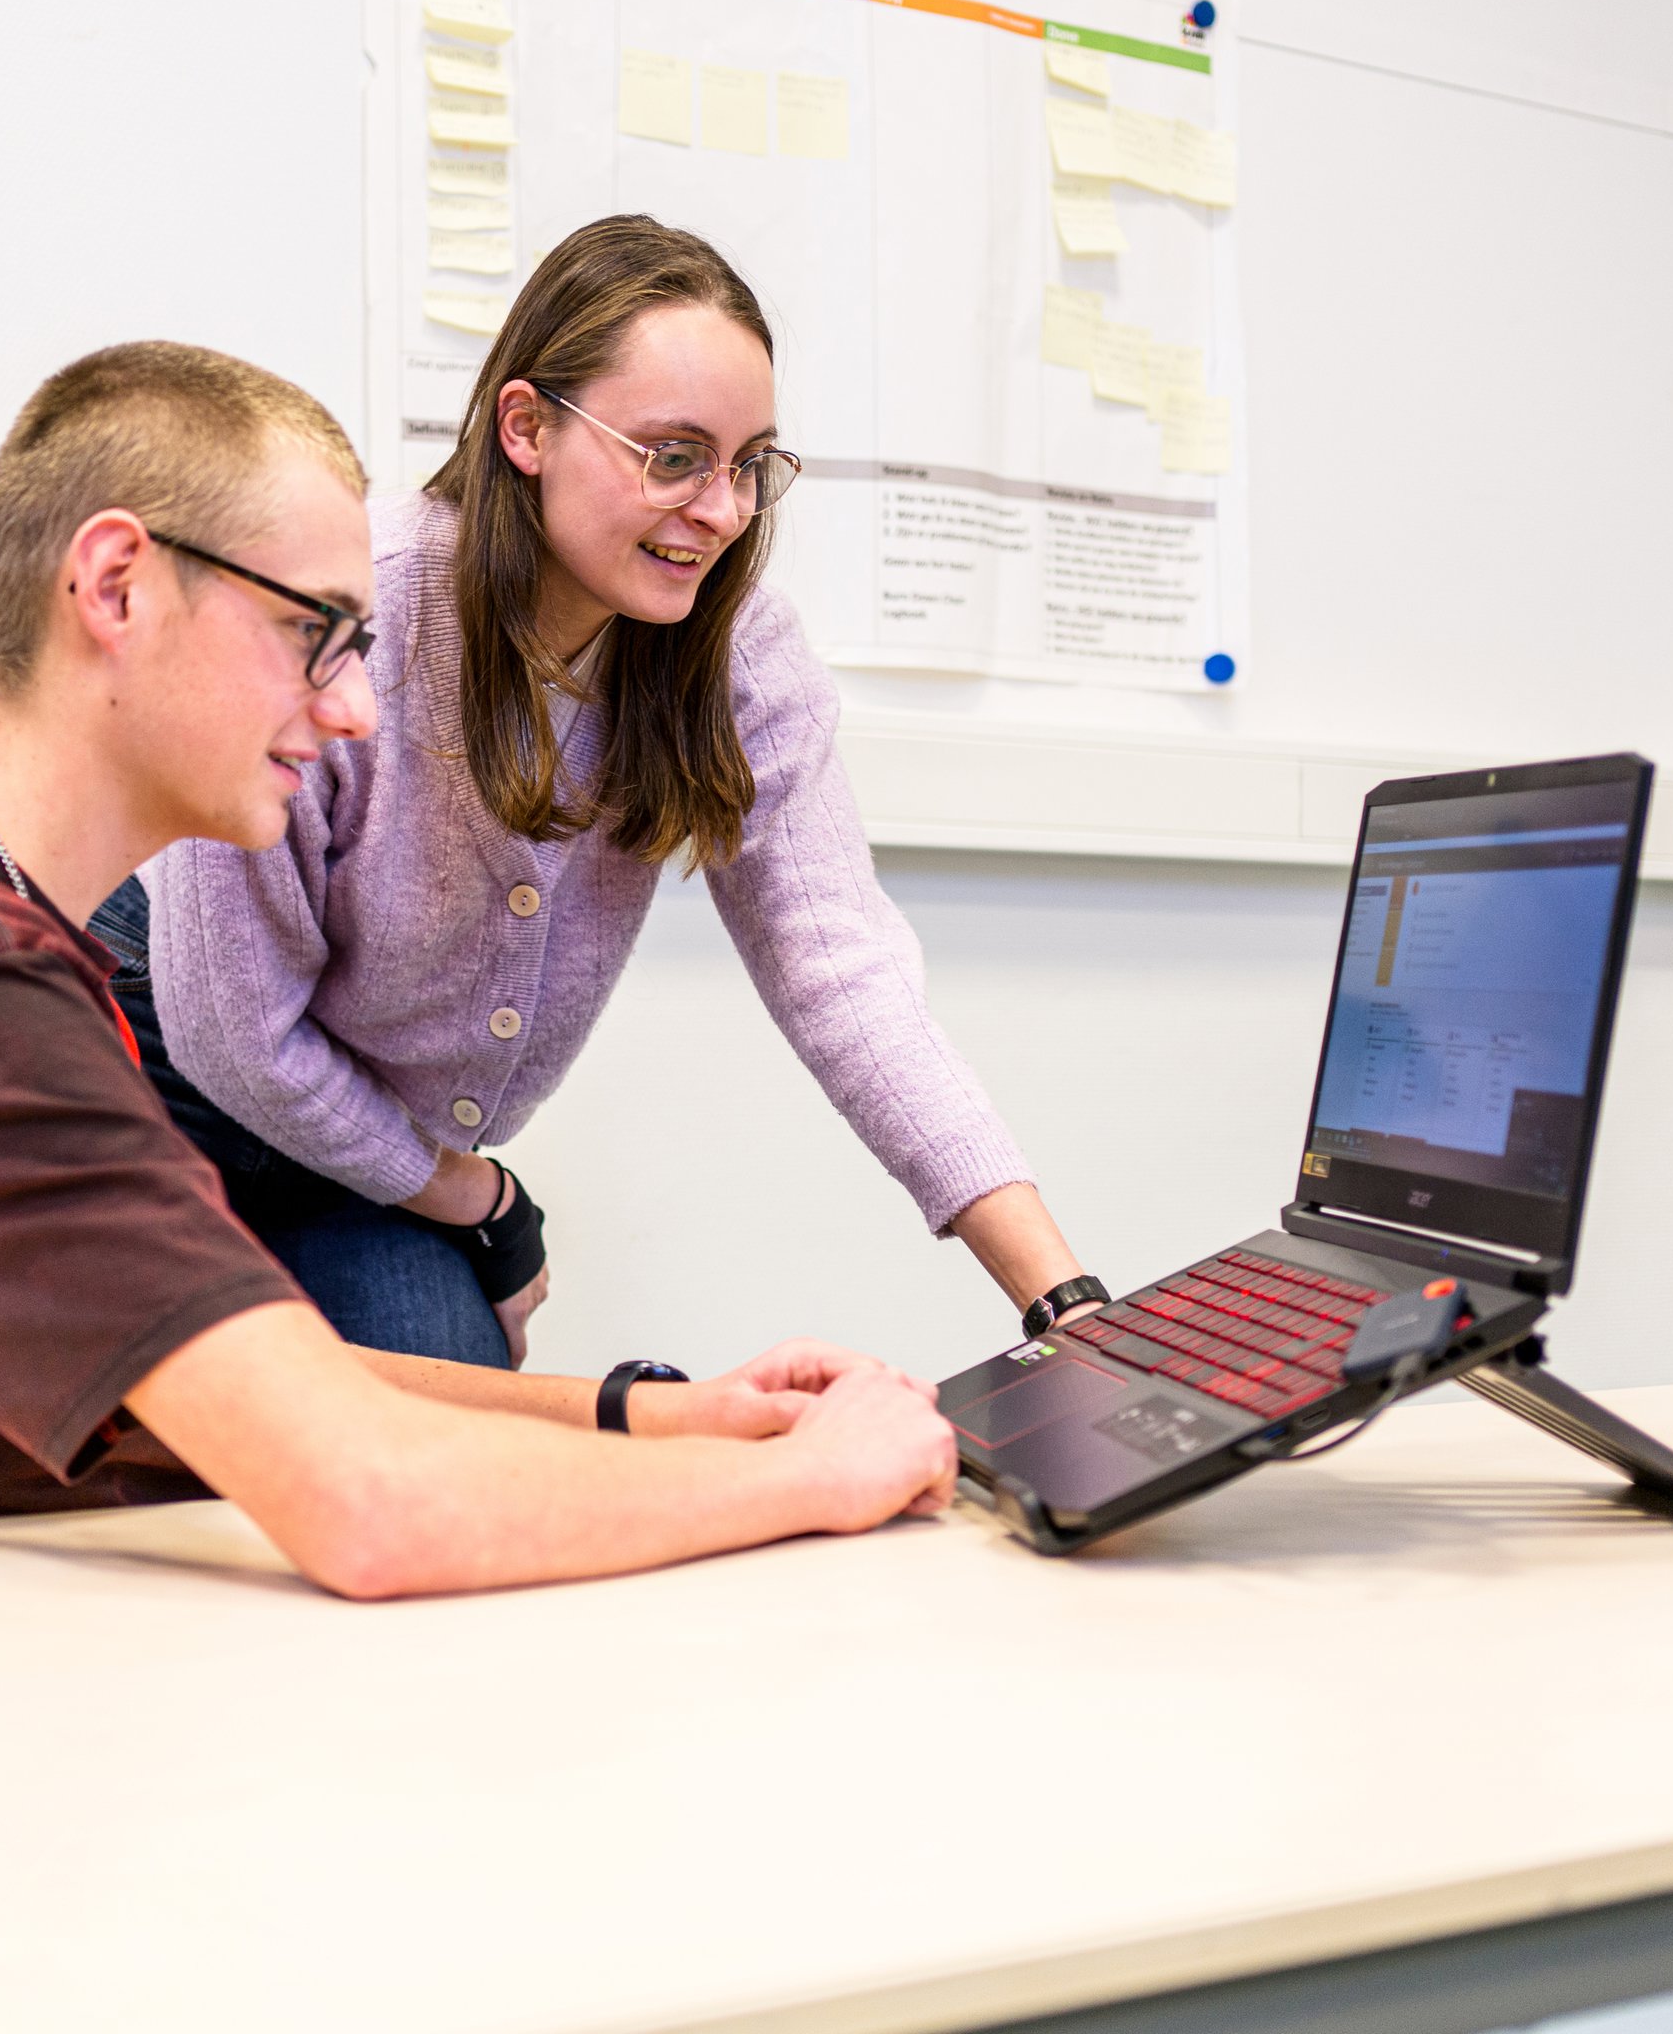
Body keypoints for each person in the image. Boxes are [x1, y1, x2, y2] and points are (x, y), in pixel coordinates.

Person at [0, 341, 960, 1598]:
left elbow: (279, 1369)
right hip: (88, 1696)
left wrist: (652, 1419)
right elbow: (371, 1506)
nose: (354, 708)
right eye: (313, 632)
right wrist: (819, 1479)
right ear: (115, 588)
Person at [110, 216, 1108, 1368]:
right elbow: (233, 1034)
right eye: (673, 456)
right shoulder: (356, 607)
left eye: (749, 465)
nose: (723, 511)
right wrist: (477, 1205)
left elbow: (839, 966)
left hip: (372, 1148)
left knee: (466, 1462)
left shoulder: (733, 655)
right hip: (164, 1066)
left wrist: (1059, 1295)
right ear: (525, 427)